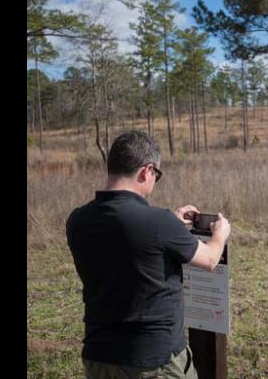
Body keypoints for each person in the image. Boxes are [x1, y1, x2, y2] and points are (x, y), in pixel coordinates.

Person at [65, 130, 231, 379]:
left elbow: (126, 243)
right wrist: (220, 234)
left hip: (99, 358)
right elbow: (209, 260)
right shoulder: (158, 223)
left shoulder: (77, 220)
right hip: (153, 362)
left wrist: (171, 224)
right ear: (147, 171)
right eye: (157, 175)